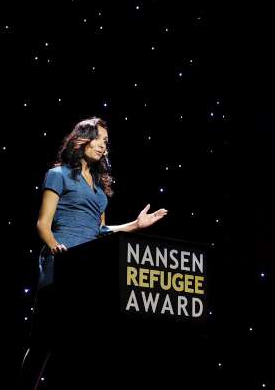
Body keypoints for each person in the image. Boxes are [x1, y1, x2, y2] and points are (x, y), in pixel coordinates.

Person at [18, 117, 169, 390]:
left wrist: (135, 225)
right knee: (43, 339)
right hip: (60, 263)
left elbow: (100, 230)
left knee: (81, 342)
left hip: (89, 267)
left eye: (106, 143)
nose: (103, 146)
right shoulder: (58, 174)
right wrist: (54, 245)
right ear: (82, 139)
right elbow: (43, 223)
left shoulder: (100, 190)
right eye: (99, 138)